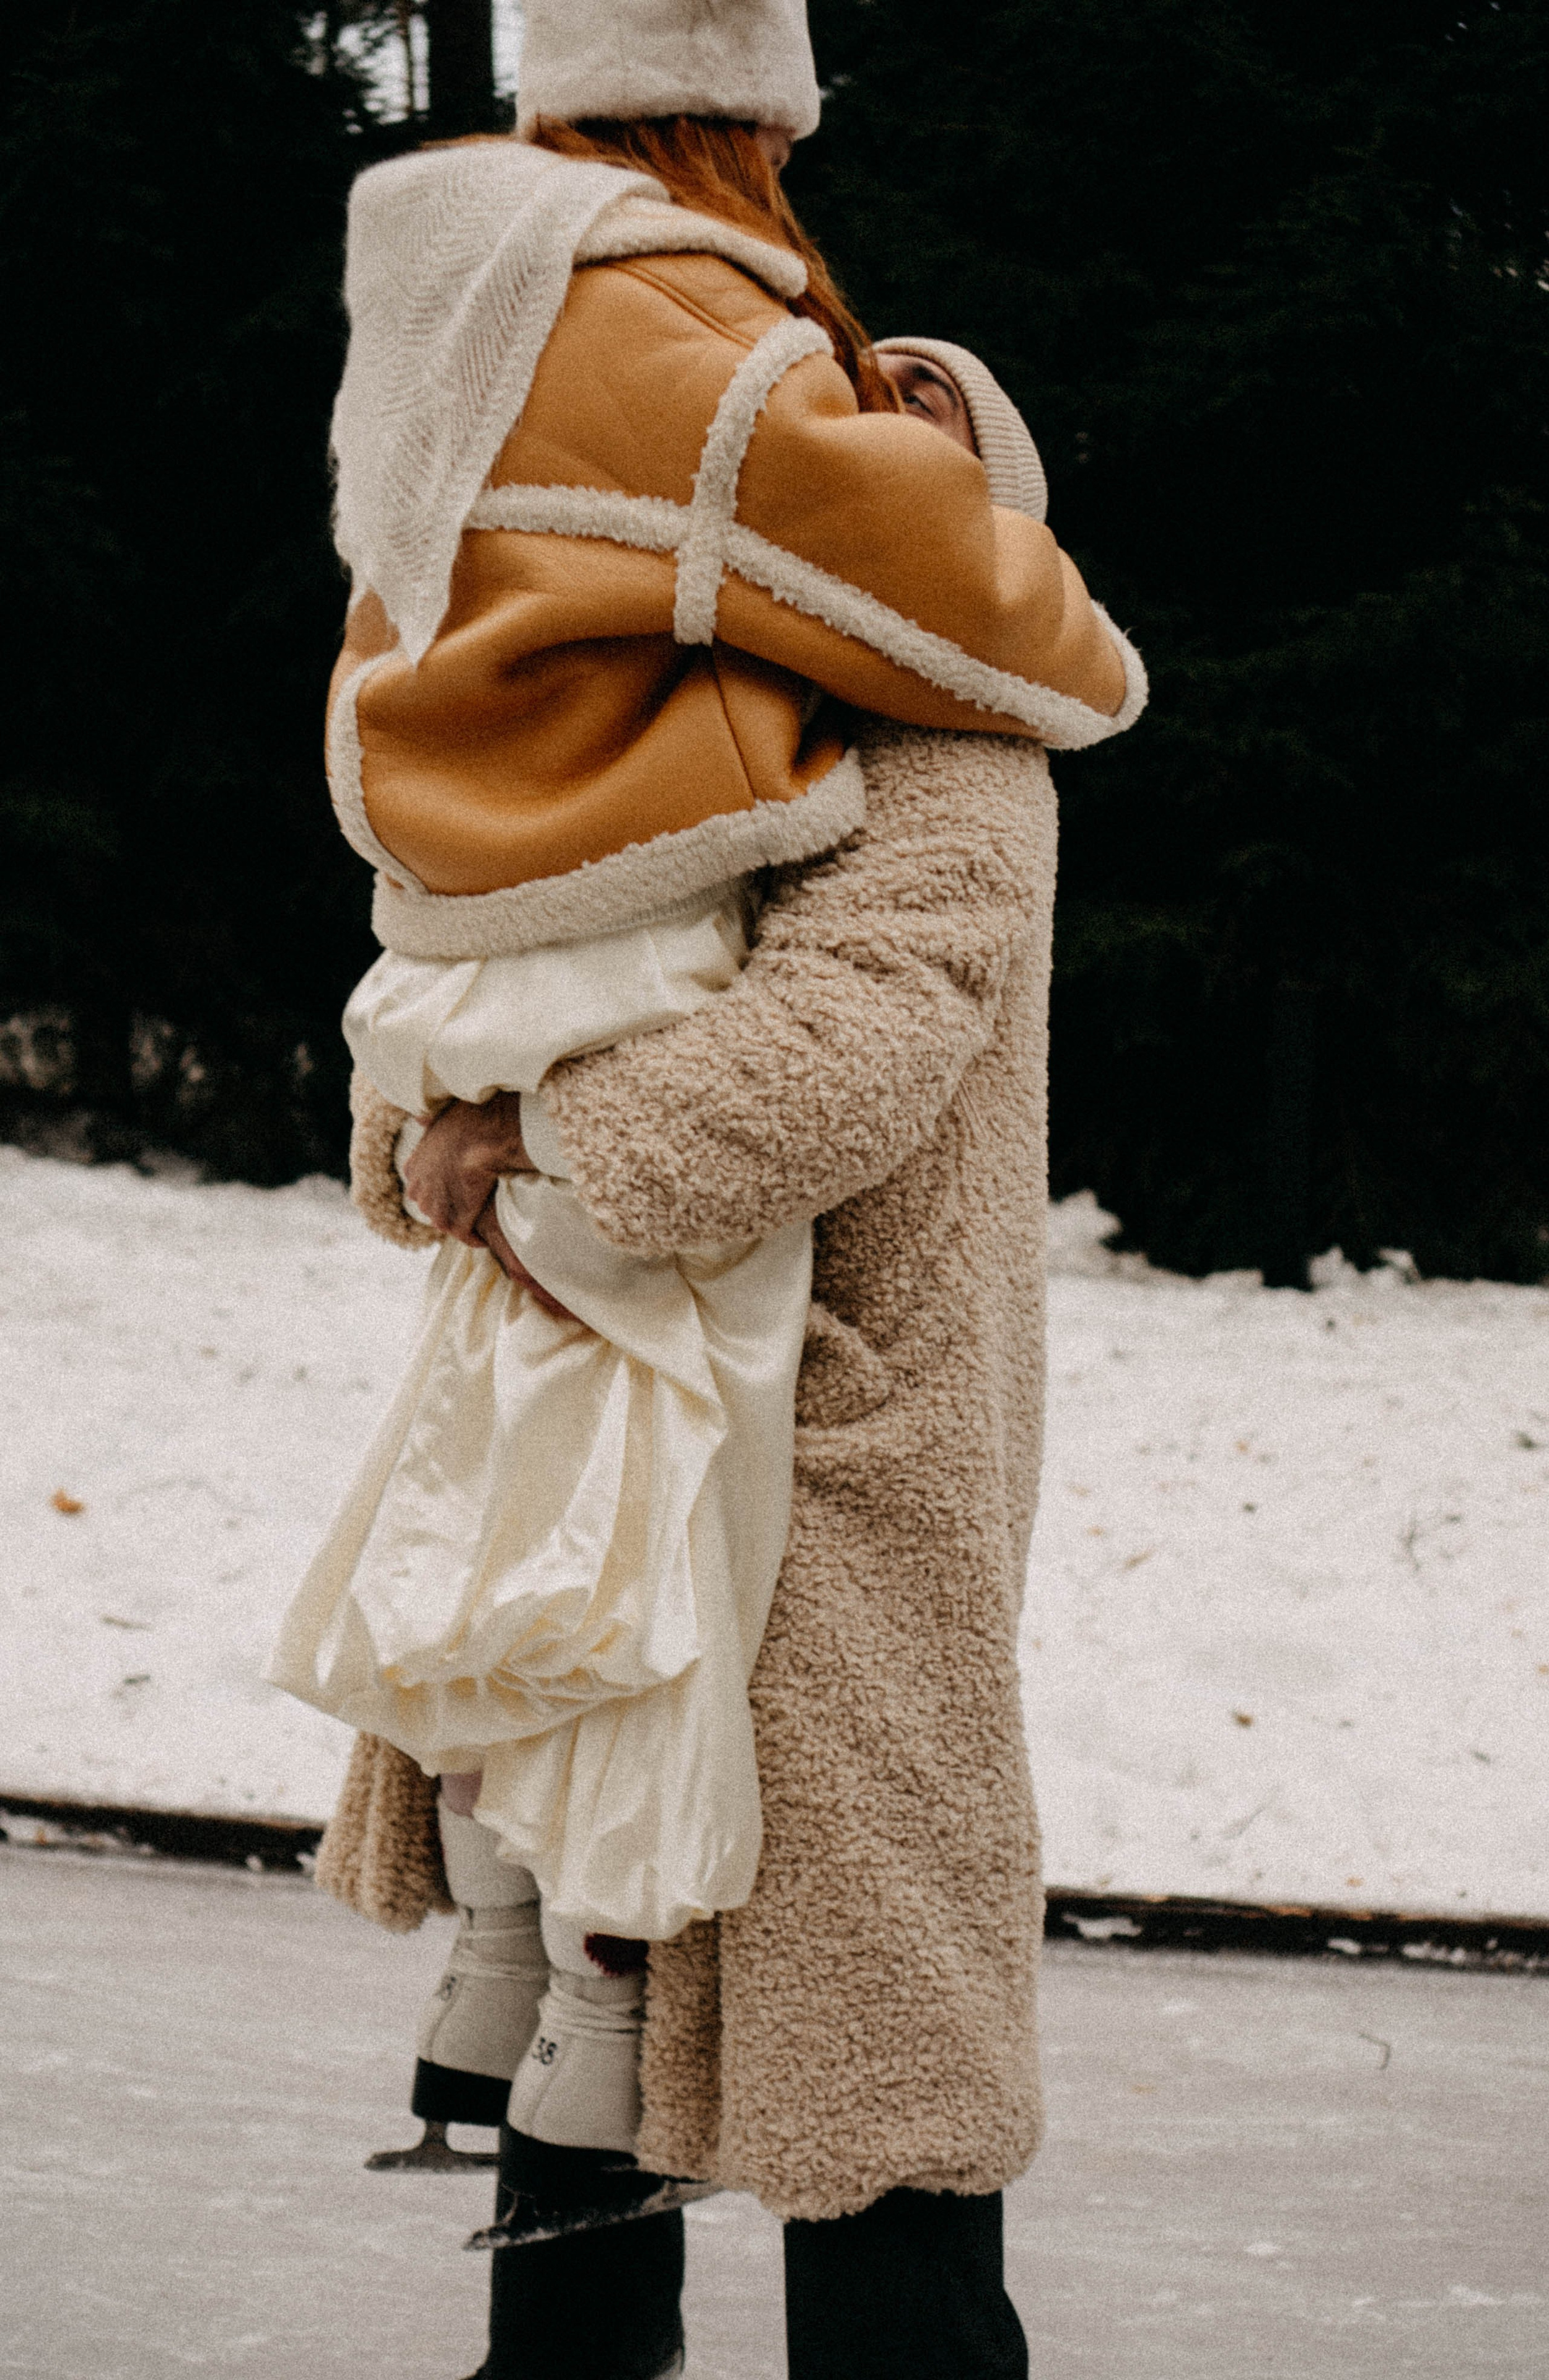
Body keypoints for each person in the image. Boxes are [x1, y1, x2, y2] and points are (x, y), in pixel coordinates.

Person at [284, 0, 1146, 2369]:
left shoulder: (962, 755)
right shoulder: (665, 733)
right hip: (596, 1473)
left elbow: (856, 1035)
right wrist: (443, 1127)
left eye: (920, 451)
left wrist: (532, 1148)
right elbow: (459, 993)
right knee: (589, 2038)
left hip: (844, 1474)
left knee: (875, 2099)